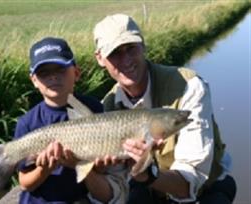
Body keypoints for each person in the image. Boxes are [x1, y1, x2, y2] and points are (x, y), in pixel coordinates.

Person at [93, 14, 237, 204]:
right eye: (115, 53)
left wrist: (148, 174)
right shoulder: (107, 106)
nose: (126, 59)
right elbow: (116, 185)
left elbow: (190, 182)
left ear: (143, 46)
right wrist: (100, 170)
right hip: (150, 188)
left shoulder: (189, 86)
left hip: (204, 190)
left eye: (130, 49)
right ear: (100, 59)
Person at [13, 37, 127, 204]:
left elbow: (101, 168)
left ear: (76, 73)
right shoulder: (27, 122)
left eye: (60, 69)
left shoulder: (94, 108)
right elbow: (25, 183)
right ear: (34, 81)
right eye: (44, 73)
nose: (53, 77)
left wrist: (98, 164)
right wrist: (45, 168)